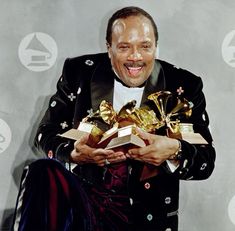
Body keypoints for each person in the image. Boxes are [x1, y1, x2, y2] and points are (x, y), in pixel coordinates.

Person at [12, 6, 216, 231]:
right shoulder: (79, 72)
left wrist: (174, 150)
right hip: (83, 211)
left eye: (145, 47)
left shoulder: (184, 85)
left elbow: (205, 161)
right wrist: (73, 153)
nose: (135, 57)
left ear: (156, 47)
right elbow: (46, 133)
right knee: (40, 171)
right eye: (124, 47)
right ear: (109, 48)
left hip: (144, 218)